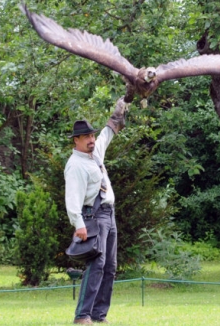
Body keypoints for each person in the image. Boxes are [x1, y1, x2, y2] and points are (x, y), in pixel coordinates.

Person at [64, 97, 128, 325]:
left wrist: (120, 109)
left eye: (92, 135)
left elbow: (106, 136)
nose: (92, 139)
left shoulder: (94, 154)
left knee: (110, 267)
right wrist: (78, 224)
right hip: (93, 217)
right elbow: (72, 198)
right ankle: (82, 316)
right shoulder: (75, 165)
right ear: (76, 140)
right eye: (87, 137)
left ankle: (99, 315)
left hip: (109, 214)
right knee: (97, 264)